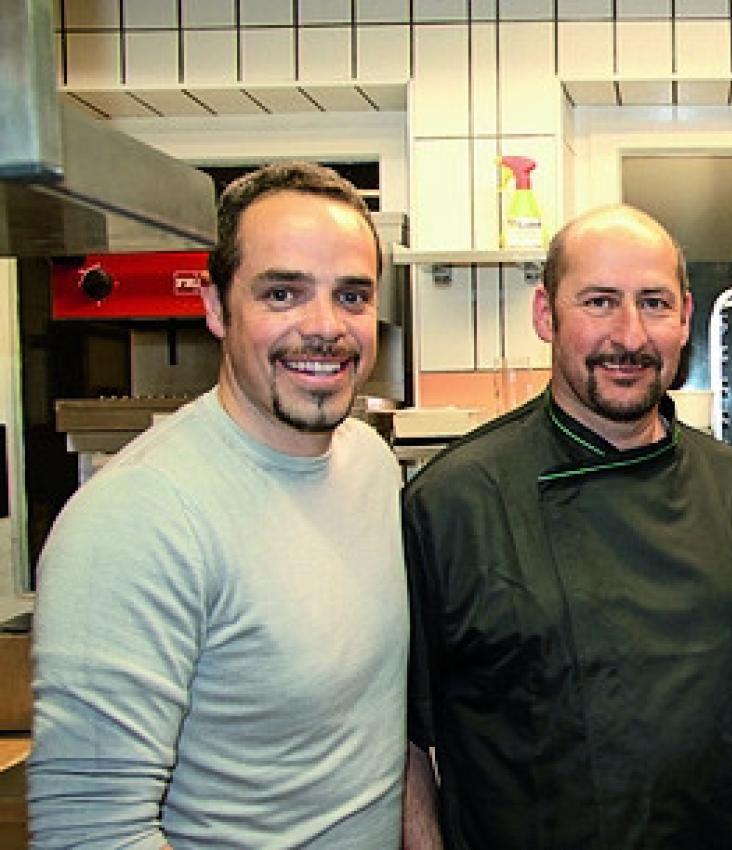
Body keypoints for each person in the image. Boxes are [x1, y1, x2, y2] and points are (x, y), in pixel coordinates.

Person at [28, 161, 430, 846]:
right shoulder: (138, 518)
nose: (325, 327)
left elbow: (378, 734)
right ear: (214, 306)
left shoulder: (367, 463)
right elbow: (90, 832)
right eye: (283, 293)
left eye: (353, 296)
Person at [401, 204, 732, 850]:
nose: (631, 336)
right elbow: (406, 740)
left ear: (686, 318)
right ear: (544, 314)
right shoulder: (453, 503)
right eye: (600, 302)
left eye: (655, 303)